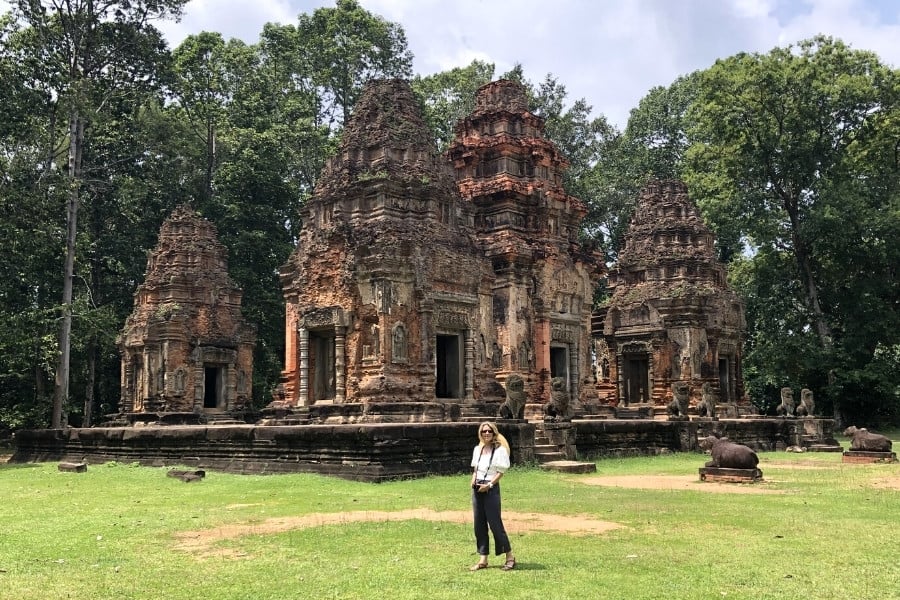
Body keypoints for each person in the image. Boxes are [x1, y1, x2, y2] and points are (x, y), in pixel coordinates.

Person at [469, 421, 516, 571]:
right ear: (480, 434)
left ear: (494, 433)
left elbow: (501, 472)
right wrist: (473, 479)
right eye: (484, 431)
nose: (487, 433)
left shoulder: (500, 450)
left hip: (490, 488)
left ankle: (510, 556)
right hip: (477, 488)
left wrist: (489, 485)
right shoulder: (478, 449)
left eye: (489, 431)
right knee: (479, 524)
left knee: (495, 524)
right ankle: (483, 558)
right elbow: (476, 468)